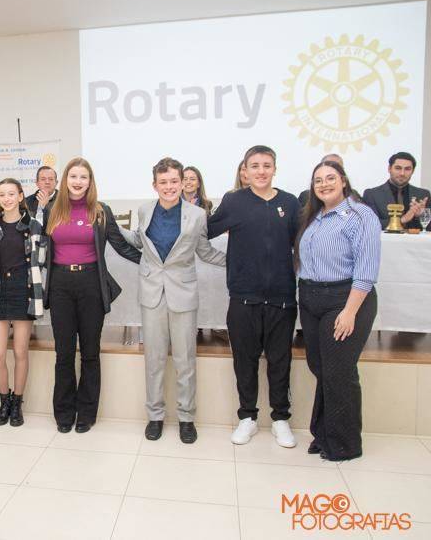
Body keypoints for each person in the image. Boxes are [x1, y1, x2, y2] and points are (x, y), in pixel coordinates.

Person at [122, 159, 225, 443]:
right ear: (155, 185)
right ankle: (155, 416)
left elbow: (205, 251)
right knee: (153, 359)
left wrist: (237, 261)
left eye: (174, 181)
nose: (169, 187)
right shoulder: (144, 210)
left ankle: (186, 418)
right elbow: (139, 241)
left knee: (185, 360)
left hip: (183, 294)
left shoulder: (197, 215)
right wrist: (109, 227)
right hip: (152, 293)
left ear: (182, 183)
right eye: (163, 182)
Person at [208, 145, 300, 448]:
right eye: (255, 166)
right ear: (245, 170)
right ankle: (247, 416)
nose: (261, 171)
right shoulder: (234, 201)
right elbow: (205, 230)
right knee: (244, 361)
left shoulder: (290, 202)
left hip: (282, 298)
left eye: (267, 165)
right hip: (243, 297)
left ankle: (280, 419)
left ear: (275, 168)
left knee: (280, 361)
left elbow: (302, 243)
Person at [44, 157, 141, 434]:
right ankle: (64, 413)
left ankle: (86, 413)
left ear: (90, 181)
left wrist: (152, 263)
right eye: (73, 176)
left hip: (91, 285)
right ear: (65, 180)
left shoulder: (101, 211)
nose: (78, 182)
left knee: (90, 352)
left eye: (83, 177)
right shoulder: (52, 209)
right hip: (60, 285)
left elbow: (121, 246)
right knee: (63, 353)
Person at [296, 161, 380, 461]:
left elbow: (366, 271)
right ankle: (323, 434)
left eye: (330, 178)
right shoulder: (314, 216)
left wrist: (349, 312)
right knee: (320, 368)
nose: (324, 184)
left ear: (343, 181)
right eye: (318, 180)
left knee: (338, 372)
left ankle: (345, 445)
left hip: (345, 300)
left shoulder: (361, 215)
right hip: (311, 299)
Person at [0, 178, 47, 427]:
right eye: (2, 194)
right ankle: (4, 400)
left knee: (20, 352)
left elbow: (41, 262)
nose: (7, 198)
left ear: (20, 196)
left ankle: (17, 402)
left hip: (24, 293)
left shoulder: (35, 226)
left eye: (11, 194)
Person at [362, 152, 430, 231]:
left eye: (407, 169)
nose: (402, 173)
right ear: (389, 169)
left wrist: (421, 216)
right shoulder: (372, 194)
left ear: (413, 171)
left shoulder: (423, 194)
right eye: (398, 168)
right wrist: (401, 220)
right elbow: (370, 223)